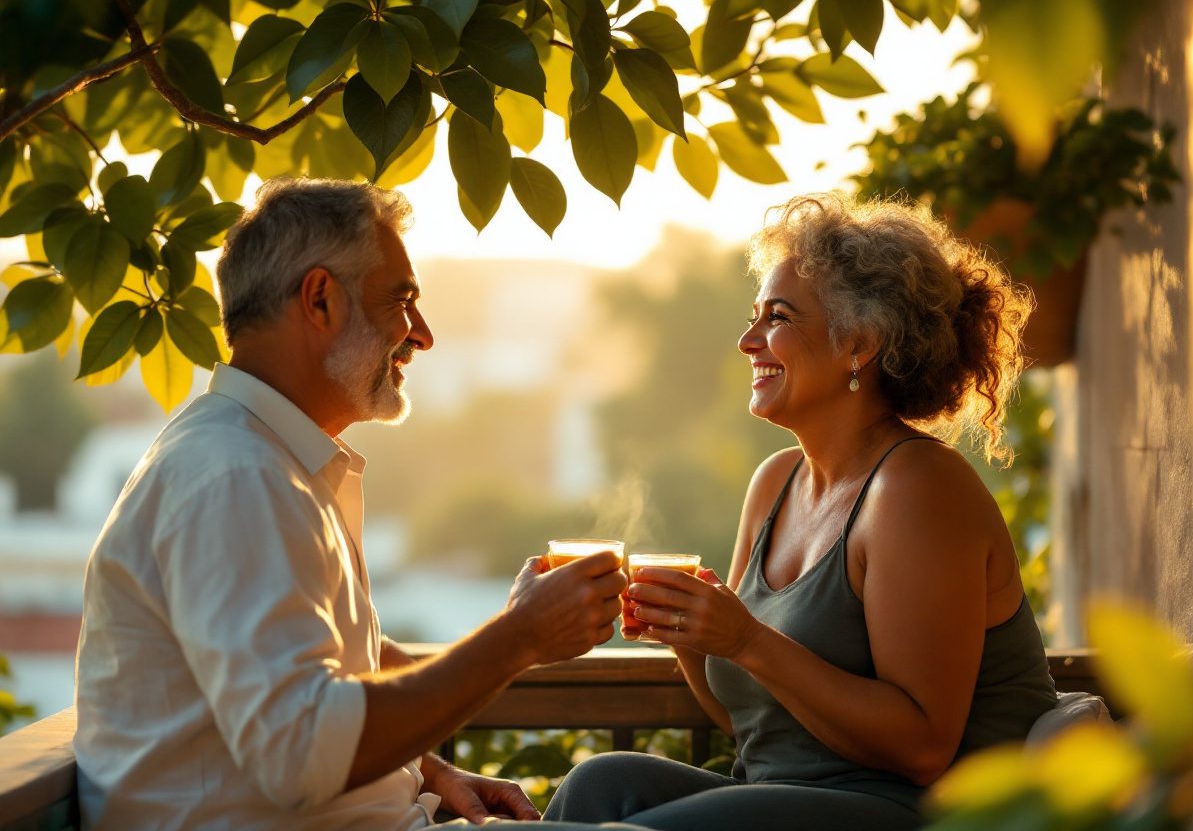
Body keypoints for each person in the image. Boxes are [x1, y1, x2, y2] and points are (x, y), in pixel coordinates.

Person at [73, 178, 633, 830]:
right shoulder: (235, 476)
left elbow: (339, 663)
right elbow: (300, 753)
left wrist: (431, 770)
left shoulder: (262, 459)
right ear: (320, 300)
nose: (421, 335)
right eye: (402, 302)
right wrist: (519, 638)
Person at [544, 193, 1058, 831]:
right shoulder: (775, 484)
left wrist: (746, 637)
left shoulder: (916, 488)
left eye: (777, 318)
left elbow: (923, 748)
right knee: (601, 783)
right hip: (786, 797)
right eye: (754, 315)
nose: (746, 340)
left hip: (919, 813)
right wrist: (690, 637)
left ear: (860, 345)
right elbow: (747, 721)